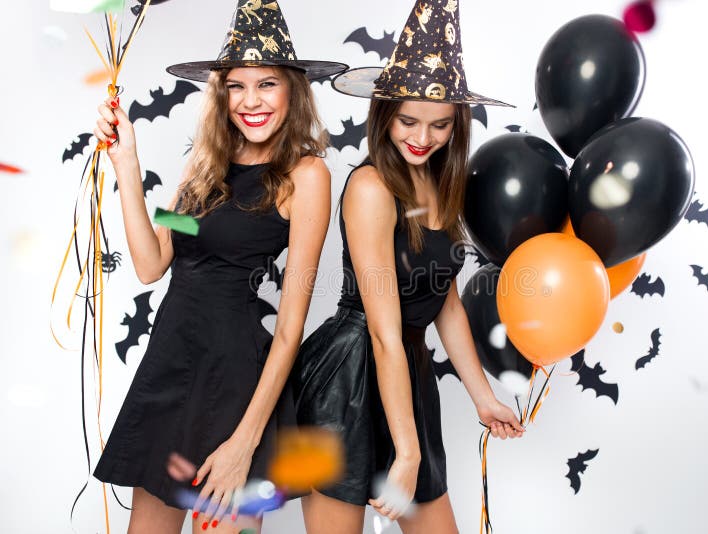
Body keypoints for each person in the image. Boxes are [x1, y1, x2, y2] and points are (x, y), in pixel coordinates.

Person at [91, 1, 346, 532]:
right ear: (222, 92)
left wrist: (244, 441)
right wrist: (127, 163)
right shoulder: (203, 165)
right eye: (237, 86)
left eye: (267, 84)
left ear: (293, 90)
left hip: (234, 384)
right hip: (170, 363)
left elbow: (291, 328)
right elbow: (152, 261)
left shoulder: (306, 176)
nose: (250, 101)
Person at [293, 1, 523, 532]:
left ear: (458, 124)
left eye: (440, 125)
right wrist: (408, 451)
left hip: (409, 373)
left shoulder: (442, 185)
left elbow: (442, 300)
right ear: (385, 114)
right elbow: (382, 332)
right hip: (349, 377)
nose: (422, 138)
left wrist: (483, 398)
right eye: (408, 121)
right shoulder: (371, 188)